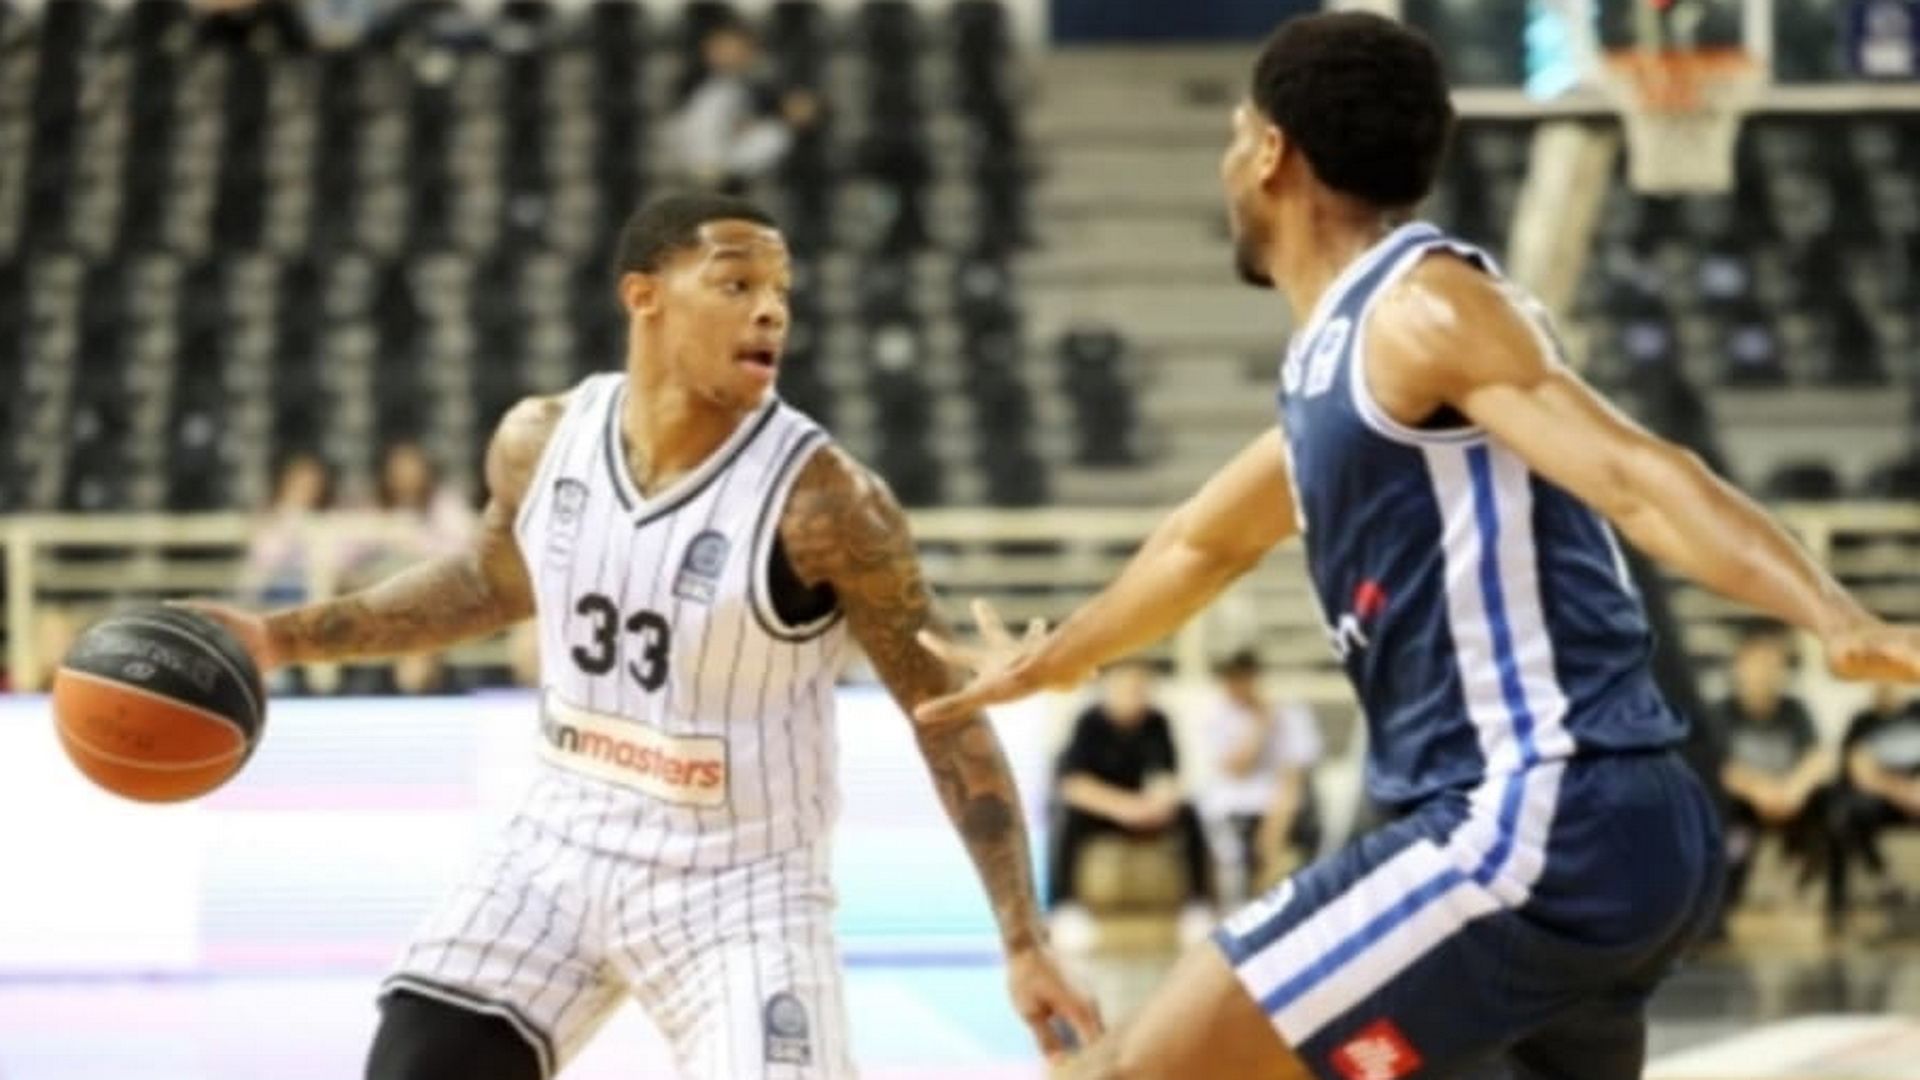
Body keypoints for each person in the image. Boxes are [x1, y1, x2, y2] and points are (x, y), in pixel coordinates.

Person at [914, 13, 1920, 1079]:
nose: (1226, 163)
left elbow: (1637, 475)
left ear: (1271, 150)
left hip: (1534, 816)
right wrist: (1060, 657)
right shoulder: (1339, 364)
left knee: (1130, 1072)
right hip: (1591, 834)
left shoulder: (1422, 306)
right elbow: (1201, 545)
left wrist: (1836, 619)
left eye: (1234, 135)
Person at [188, 193, 1095, 1080]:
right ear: (643, 295)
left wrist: (1024, 939)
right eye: (736, 284)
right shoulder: (540, 439)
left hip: (742, 887)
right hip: (556, 851)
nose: (772, 310)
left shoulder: (828, 504)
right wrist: (275, 639)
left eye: (781, 290)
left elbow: (946, 715)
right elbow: (486, 583)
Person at [1049, 660, 1214, 926]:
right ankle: (1064, 905)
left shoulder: (1157, 721)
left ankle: (1198, 903)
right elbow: (1074, 785)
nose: (1135, 695)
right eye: (1127, 688)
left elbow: (1166, 776)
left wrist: (1157, 805)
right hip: (1103, 811)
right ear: (1110, 688)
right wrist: (1122, 808)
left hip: (1142, 809)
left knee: (1189, 812)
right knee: (1066, 817)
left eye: (1141, 688)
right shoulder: (1089, 722)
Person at [1714, 624, 1833, 914]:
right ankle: (1723, 900)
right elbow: (1720, 766)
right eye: (1757, 664)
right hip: (1745, 805)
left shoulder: (1796, 710)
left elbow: (1818, 757)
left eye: (1772, 664)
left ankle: (1816, 890)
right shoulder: (1721, 713)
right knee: (1722, 814)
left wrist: (1794, 790)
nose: (1764, 673)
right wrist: (1760, 791)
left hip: (1791, 800)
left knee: (1834, 804)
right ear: (1739, 667)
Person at [1203, 650, 1321, 903]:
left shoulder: (1290, 713)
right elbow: (1237, 767)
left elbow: (1295, 773)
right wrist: (1260, 725)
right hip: (1235, 807)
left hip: (1282, 805)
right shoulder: (1217, 715)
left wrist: (1274, 827)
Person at [670, 17, 821, 194]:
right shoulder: (705, 93)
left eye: (742, 48)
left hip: (742, 175)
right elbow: (706, 160)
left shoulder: (755, 91)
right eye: (724, 47)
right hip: (708, 177)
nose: (733, 54)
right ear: (708, 49)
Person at [1831, 683, 1920, 921]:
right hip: (1883, 799)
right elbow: (1860, 771)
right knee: (1844, 812)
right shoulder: (1862, 721)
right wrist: (1901, 791)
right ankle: (1884, 882)